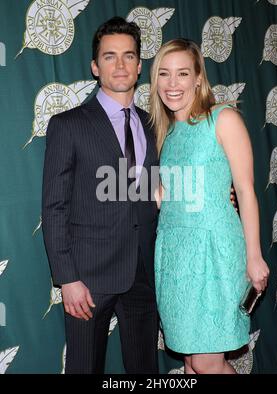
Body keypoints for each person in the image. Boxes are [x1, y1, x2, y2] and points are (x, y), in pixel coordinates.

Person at [42, 17, 159, 374]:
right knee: (84, 367)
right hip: (89, 277)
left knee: (145, 368)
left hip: (144, 270)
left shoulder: (155, 124)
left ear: (140, 65)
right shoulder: (68, 125)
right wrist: (68, 278)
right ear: (95, 66)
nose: (120, 65)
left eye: (128, 56)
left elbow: (163, 188)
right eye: (110, 56)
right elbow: (54, 206)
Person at [150, 39, 270, 374]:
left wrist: (254, 255)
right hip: (174, 259)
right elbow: (164, 196)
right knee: (190, 360)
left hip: (214, 253)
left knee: (206, 362)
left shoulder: (223, 119)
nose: (172, 84)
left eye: (182, 74)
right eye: (164, 74)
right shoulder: (168, 135)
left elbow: (245, 191)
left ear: (198, 79)